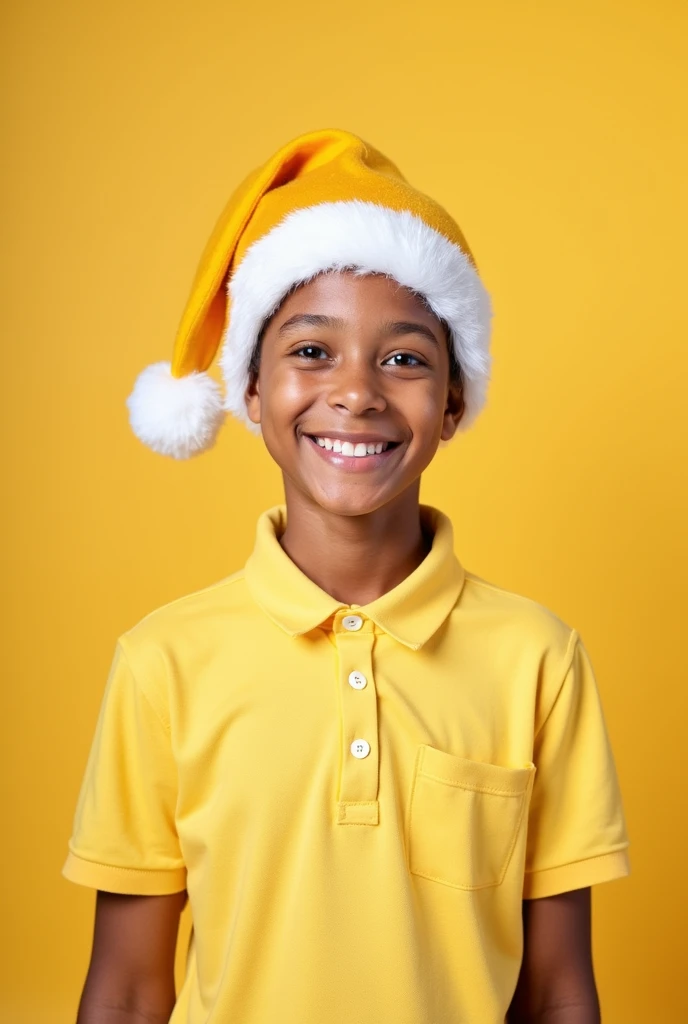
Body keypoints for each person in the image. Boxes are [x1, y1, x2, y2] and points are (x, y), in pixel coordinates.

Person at [62, 129, 630, 1024]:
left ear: (452, 402)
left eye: (404, 358)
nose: (358, 392)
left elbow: (559, 991)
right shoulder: (162, 661)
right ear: (251, 391)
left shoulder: (537, 659)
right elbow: (129, 990)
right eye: (311, 351)